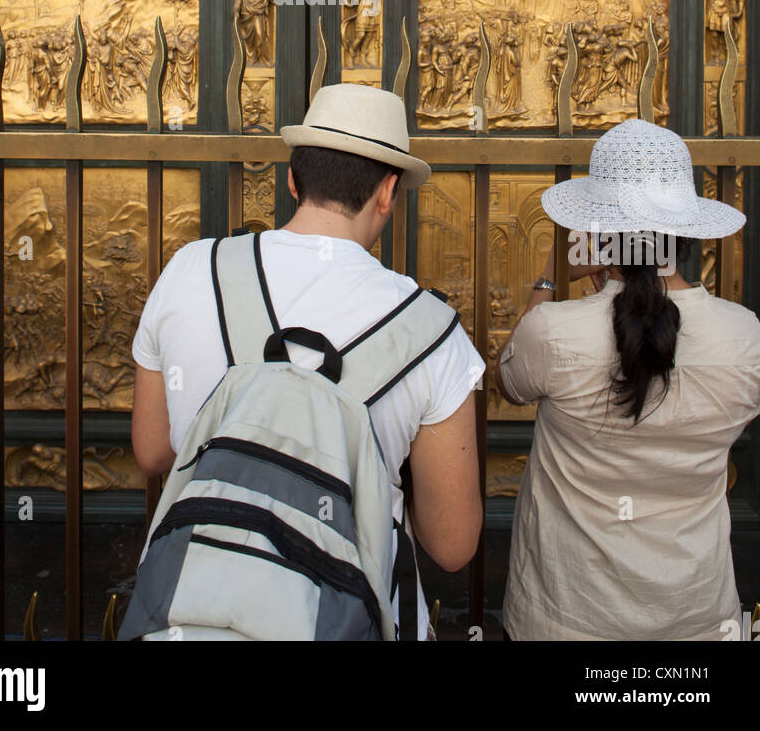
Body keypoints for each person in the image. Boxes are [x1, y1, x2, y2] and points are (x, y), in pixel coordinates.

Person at [130, 84, 484, 639]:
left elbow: (153, 452)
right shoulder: (432, 331)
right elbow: (453, 544)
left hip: (191, 609)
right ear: (388, 191)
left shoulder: (189, 270)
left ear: (293, 180)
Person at [497, 118, 760, 641]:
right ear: (685, 231)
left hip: (564, 617)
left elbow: (508, 383)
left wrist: (549, 277)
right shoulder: (745, 336)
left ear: (598, 231)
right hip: (696, 617)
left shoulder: (553, 332)